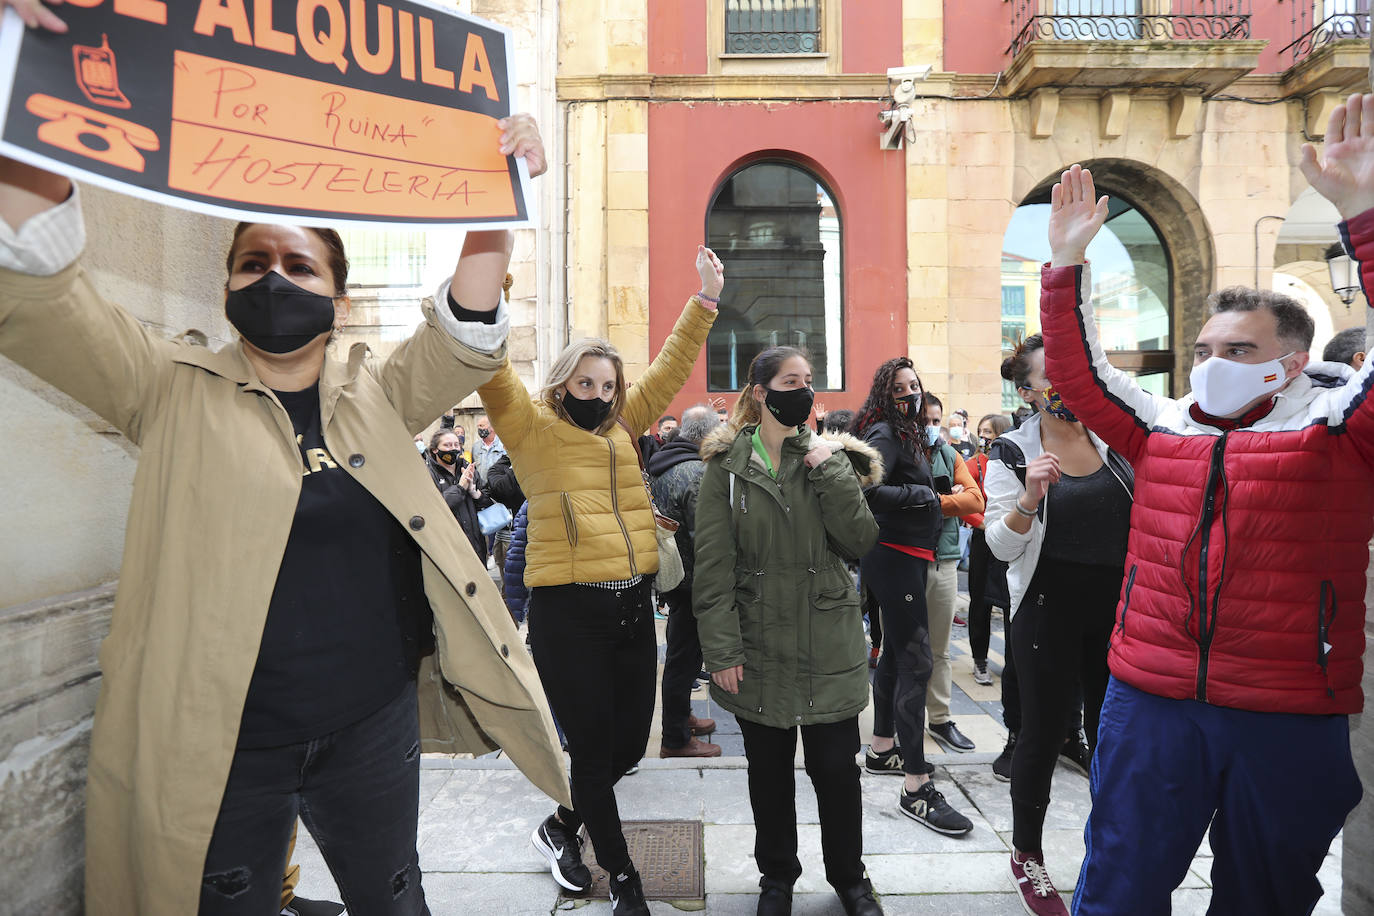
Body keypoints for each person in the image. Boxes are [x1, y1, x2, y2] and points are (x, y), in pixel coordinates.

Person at [0, 78, 567, 916]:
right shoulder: (167, 384)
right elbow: (48, 297)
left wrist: (496, 201)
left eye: (298, 265)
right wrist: (29, 93)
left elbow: (463, 337)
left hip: (372, 727)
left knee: (395, 900)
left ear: (337, 301)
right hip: (226, 744)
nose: (273, 278)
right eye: (252, 263)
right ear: (227, 288)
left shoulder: (375, 391)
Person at [1042, 108, 1374, 915]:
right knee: (1119, 883)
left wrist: (1362, 216)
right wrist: (1063, 267)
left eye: (1239, 351)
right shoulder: (1163, 429)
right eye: (1202, 350)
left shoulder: (1338, 432)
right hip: (1151, 700)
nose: (1212, 364)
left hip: (1287, 709)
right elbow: (1081, 378)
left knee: (1265, 895)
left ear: (1292, 364)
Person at [479, 247, 724, 916]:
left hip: (633, 610)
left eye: (607, 386)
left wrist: (703, 302)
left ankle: (561, 823)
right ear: (562, 385)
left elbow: (671, 370)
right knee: (591, 749)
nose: (599, 396)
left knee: (623, 749)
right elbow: (493, 374)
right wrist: (489, 290)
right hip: (567, 612)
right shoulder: (531, 432)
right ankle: (621, 876)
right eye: (585, 385)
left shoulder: (623, 429)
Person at [694, 346, 885, 916]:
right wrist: (721, 649)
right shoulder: (725, 469)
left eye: (807, 381)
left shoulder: (831, 459)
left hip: (827, 640)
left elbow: (860, 540)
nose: (800, 391)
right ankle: (776, 877)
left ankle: (851, 879)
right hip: (758, 645)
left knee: (835, 770)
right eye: (788, 380)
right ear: (760, 392)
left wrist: (829, 466)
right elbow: (711, 568)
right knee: (768, 774)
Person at [984, 335, 1133, 915]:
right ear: (1027, 390)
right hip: (1046, 607)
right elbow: (998, 548)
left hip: (1117, 611)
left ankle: (1112, 846)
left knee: (1112, 734)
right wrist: (1029, 497)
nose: (1067, 382)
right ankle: (1027, 854)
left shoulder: (1114, 436)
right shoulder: (1012, 451)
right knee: (1043, 735)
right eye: (1052, 374)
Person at [853, 357, 974, 837]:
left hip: (907, 553)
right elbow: (868, 490)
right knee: (917, 662)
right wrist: (923, 499)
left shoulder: (906, 431)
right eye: (900, 387)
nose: (910, 393)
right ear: (886, 392)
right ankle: (915, 786)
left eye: (915, 385)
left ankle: (883, 749)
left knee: (897, 660)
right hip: (895, 554)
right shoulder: (885, 429)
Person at [648, 404, 722, 758]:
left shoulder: (664, 461)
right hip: (693, 579)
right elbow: (705, 535)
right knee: (684, 659)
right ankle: (675, 739)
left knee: (683, 656)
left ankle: (682, 718)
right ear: (708, 435)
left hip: (673, 575)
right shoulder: (697, 472)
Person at [916, 393, 983, 751]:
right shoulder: (898, 453)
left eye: (935, 420)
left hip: (943, 562)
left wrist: (932, 502)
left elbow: (975, 501)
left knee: (939, 650)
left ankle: (939, 719)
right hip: (906, 562)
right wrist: (946, 501)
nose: (931, 427)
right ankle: (898, 722)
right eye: (924, 420)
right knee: (903, 649)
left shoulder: (948, 453)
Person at [965, 413, 1013, 687]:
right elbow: (966, 502)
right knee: (980, 601)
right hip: (984, 539)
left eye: (990, 431)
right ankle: (979, 659)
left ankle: (1012, 661)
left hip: (1009, 538)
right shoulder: (973, 464)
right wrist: (985, 525)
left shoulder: (1013, 462)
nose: (985, 437)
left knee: (1010, 602)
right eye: (981, 431)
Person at [425, 428, 492, 563]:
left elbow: (488, 503)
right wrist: (460, 488)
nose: (453, 449)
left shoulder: (468, 469)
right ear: (435, 450)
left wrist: (475, 493)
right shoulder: (428, 473)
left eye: (456, 445)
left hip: (475, 544)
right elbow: (435, 507)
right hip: (448, 547)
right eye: (447, 445)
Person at [471, 413, 506, 486]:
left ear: (492, 427)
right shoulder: (476, 447)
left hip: (499, 488)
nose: (479, 429)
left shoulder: (503, 445)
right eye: (478, 426)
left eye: (481, 426)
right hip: (482, 490)